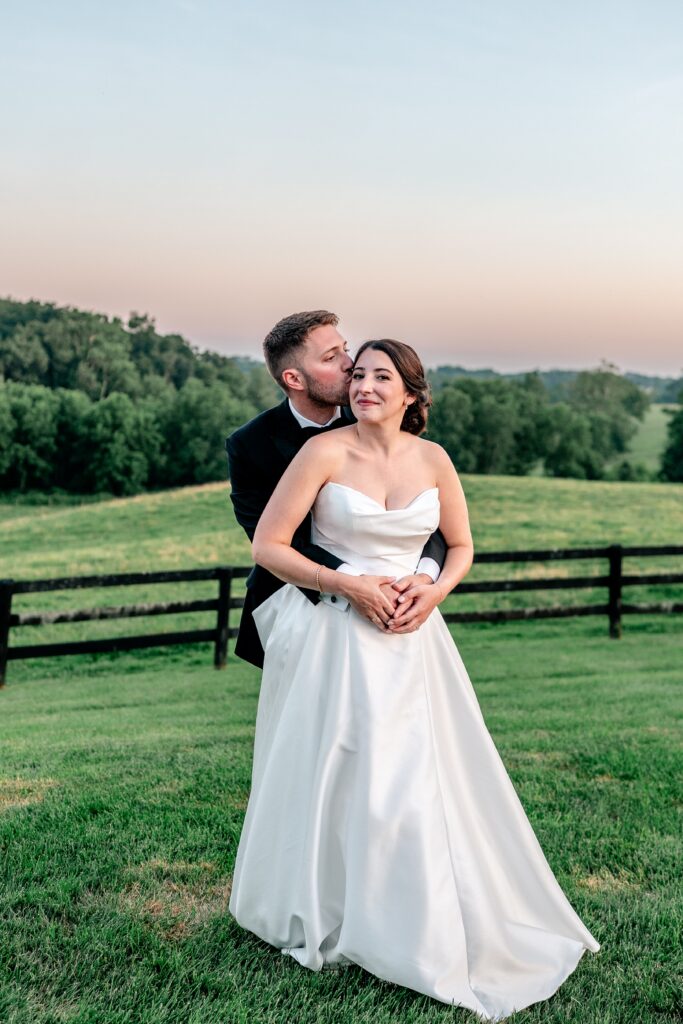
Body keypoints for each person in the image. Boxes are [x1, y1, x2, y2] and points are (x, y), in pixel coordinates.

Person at [228, 338, 601, 1020]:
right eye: (358, 374)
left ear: (409, 394)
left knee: (414, 773)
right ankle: (330, 904)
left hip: (414, 638)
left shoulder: (434, 460)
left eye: (382, 377)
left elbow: (458, 546)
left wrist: (432, 591)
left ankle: (413, 911)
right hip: (335, 636)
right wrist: (348, 586)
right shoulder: (322, 452)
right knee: (340, 767)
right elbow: (268, 546)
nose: (365, 385)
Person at [225, 310, 446, 669]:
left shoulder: (379, 417)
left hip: (397, 602)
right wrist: (355, 584)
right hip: (299, 600)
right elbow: (280, 542)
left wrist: (422, 579)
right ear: (294, 378)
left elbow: (425, 514)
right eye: (331, 357)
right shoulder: (250, 445)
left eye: (345, 349)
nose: (350, 364)